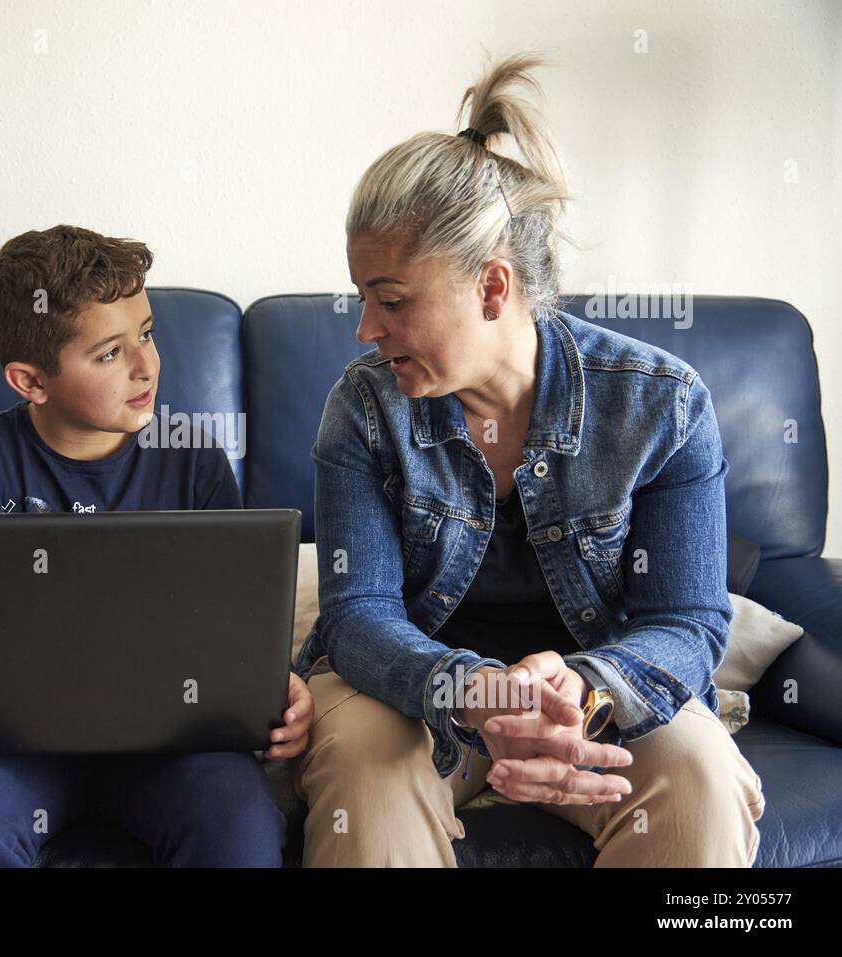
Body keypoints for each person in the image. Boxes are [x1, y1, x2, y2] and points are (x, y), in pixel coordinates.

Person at [293, 53, 764, 867]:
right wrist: (475, 690)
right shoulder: (364, 407)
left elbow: (689, 623)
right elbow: (358, 614)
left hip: (598, 701)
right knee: (369, 774)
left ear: (493, 286)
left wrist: (582, 689)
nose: (366, 329)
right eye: (362, 298)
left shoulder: (662, 404)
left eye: (391, 300)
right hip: (413, 691)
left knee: (699, 779)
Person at [0, 224, 311, 867]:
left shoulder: (193, 459)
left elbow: (231, 622)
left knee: (241, 833)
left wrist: (271, 685)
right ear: (31, 381)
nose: (147, 366)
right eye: (110, 353)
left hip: (171, 743)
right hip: (17, 746)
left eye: (146, 333)